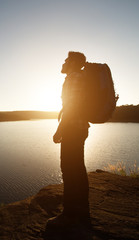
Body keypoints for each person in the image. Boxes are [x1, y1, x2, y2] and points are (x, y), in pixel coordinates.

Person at [48, 51, 90, 228]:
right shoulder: (78, 77)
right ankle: (82, 211)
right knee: (78, 169)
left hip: (73, 128)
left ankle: (70, 214)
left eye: (66, 60)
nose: (63, 63)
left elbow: (72, 106)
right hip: (78, 128)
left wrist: (59, 130)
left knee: (69, 169)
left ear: (73, 62)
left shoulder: (74, 77)